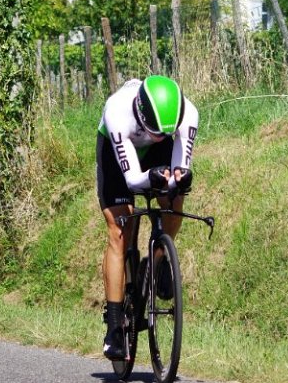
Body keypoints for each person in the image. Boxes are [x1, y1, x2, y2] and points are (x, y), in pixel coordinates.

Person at [96, 75, 198, 361]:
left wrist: (178, 178)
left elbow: (180, 167)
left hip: (155, 154)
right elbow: (132, 180)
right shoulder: (117, 111)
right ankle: (115, 325)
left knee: (174, 198)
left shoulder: (188, 115)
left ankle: (157, 259)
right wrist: (149, 177)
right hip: (117, 150)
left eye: (165, 132)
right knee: (119, 229)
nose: (159, 136)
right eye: (155, 131)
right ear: (141, 113)